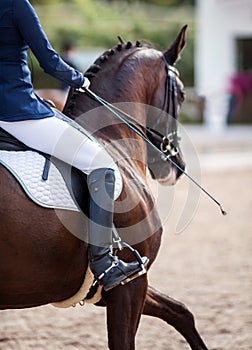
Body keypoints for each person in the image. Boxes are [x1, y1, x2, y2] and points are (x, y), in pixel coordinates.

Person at [0, 0, 148, 291]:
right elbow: (47, 59)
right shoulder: (16, 5)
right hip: (16, 113)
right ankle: (104, 262)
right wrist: (78, 80)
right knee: (102, 165)